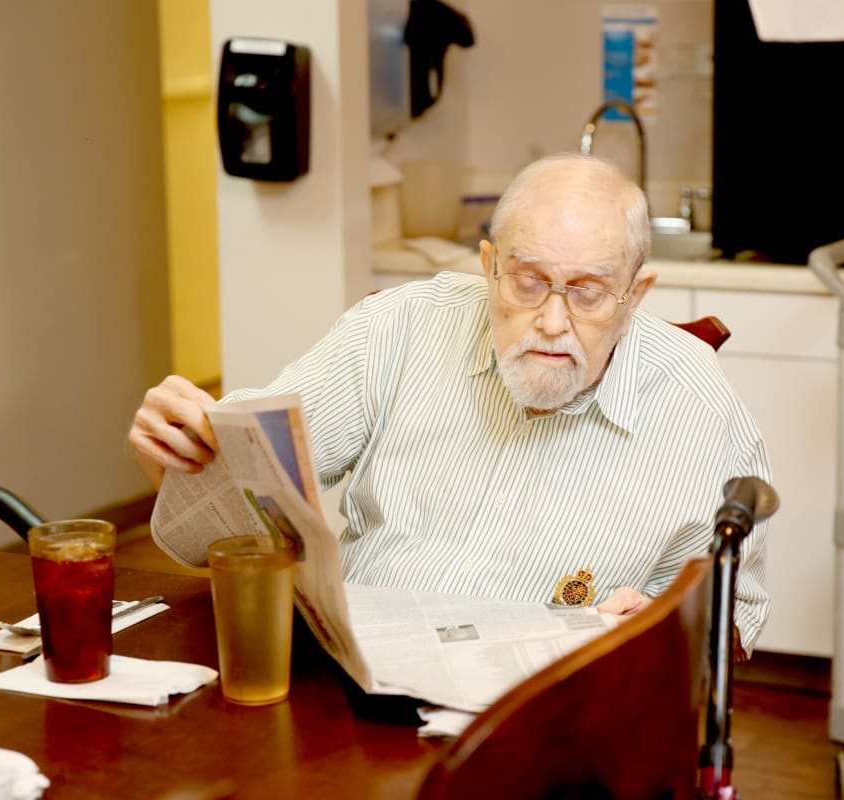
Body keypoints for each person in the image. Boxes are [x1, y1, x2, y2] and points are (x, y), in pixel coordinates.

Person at [129, 153, 772, 656]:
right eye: (527, 281)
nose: (552, 321)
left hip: (540, 714)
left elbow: (729, 616)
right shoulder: (403, 326)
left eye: (588, 292)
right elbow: (246, 483)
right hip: (347, 672)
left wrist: (659, 629)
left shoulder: (698, 404)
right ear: (489, 264)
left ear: (635, 294)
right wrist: (183, 442)